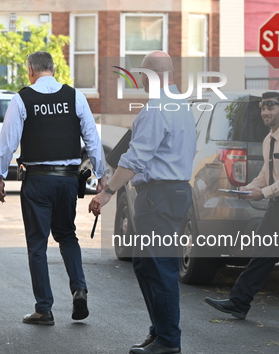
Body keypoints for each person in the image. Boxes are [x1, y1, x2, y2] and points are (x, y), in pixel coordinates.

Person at [89, 51, 196, 354]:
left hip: (159, 196)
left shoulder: (157, 108)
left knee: (158, 267)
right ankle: (160, 332)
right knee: (146, 264)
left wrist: (107, 191)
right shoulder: (182, 106)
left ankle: (167, 340)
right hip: (171, 192)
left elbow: (136, 158)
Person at [0, 51, 107, 326]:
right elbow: (91, 136)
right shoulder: (75, 96)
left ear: (30, 69)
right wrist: (101, 175)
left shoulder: (22, 98)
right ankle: (79, 288)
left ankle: (44, 309)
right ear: (54, 70)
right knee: (67, 236)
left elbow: (8, 141)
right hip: (67, 180)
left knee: (38, 245)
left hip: (37, 181)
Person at [205, 91, 279, 324]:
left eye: (271, 108)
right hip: (278, 204)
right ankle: (239, 302)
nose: (265, 112)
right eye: (263, 108)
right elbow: (266, 173)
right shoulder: (269, 139)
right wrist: (249, 188)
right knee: (262, 253)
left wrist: (264, 192)